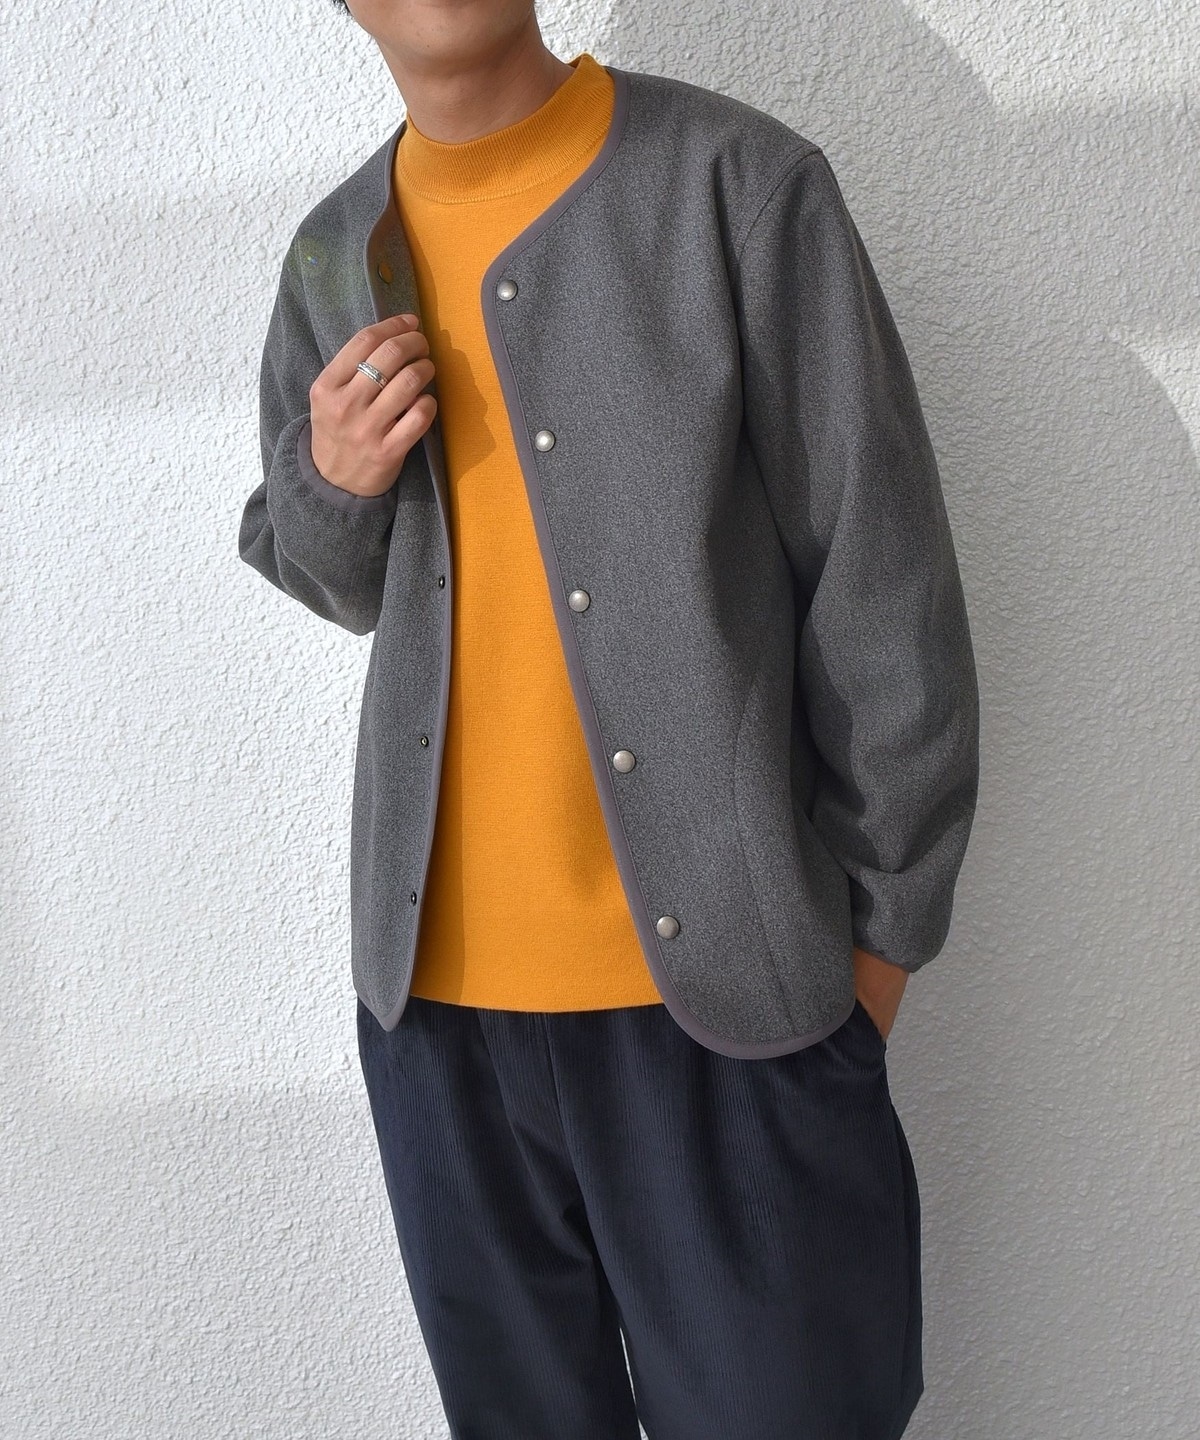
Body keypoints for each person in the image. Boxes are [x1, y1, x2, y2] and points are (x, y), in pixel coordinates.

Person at [238, 2, 980, 1435]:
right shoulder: (335, 253)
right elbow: (330, 574)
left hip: (734, 1024)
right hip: (438, 1033)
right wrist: (329, 477)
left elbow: (886, 597)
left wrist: (873, 966)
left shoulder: (737, 187)